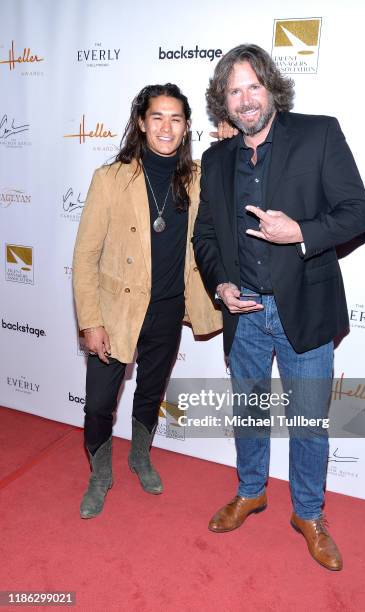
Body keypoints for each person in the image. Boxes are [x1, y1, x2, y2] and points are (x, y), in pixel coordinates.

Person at [193, 44, 365, 571]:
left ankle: (309, 514)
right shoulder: (217, 158)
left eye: (253, 86)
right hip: (244, 311)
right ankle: (251, 491)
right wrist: (222, 285)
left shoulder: (318, 134)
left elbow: (359, 213)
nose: (246, 100)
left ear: (271, 87)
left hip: (305, 309)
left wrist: (300, 232)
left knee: (309, 421)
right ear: (223, 102)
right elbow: (206, 234)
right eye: (234, 91)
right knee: (248, 413)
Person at [73, 83, 222, 519]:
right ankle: (100, 474)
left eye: (176, 118)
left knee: (151, 391)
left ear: (187, 127)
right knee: (100, 403)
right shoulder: (111, 179)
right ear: (141, 123)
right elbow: (84, 257)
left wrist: (231, 138)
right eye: (157, 116)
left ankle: (140, 455)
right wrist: (90, 321)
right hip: (116, 311)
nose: (166, 126)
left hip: (168, 309)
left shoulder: (196, 178)